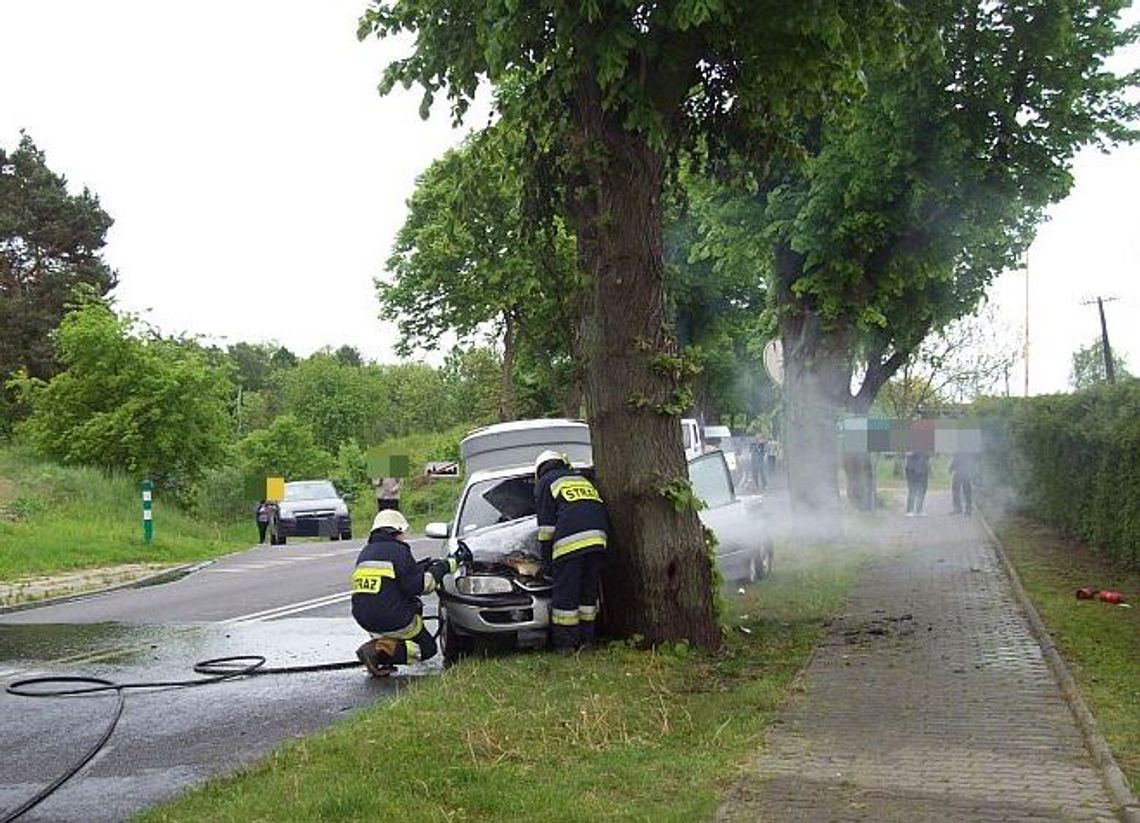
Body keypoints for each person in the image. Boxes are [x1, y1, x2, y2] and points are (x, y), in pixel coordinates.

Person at [352, 509, 457, 677]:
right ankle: (378, 650)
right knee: (426, 649)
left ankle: (379, 656)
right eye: (403, 532)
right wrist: (442, 568)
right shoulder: (399, 551)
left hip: (365, 619)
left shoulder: (366, 552)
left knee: (397, 638)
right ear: (396, 531)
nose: (404, 536)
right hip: (393, 619)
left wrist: (419, 568)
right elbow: (420, 587)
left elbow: (393, 579)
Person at [534, 449, 610, 653]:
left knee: (566, 596)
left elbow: (546, 529)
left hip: (570, 542)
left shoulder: (545, 482)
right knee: (587, 592)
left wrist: (547, 564)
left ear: (539, 470)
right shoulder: (580, 479)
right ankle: (587, 640)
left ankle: (566, 645)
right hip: (598, 538)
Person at [904, 451, 930, 516]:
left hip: (923, 468)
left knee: (923, 489)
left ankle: (919, 509)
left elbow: (928, 454)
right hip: (912, 468)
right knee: (912, 489)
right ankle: (910, 510)